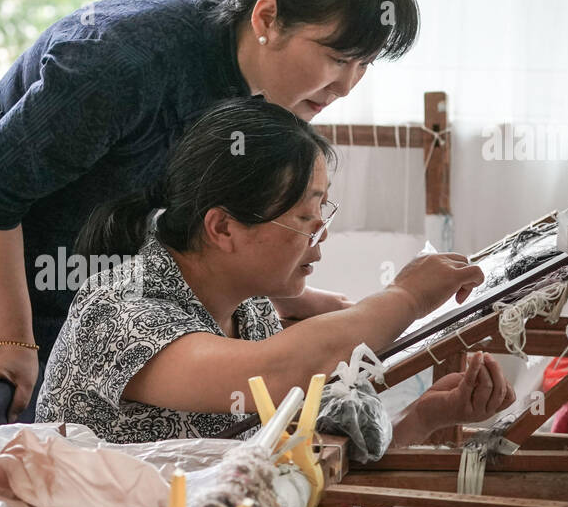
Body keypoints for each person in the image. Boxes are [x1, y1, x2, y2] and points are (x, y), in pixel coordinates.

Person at [0, 0, 420, 507]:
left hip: (91, 257)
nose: (347, 84)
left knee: (56, 453)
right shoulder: (119, 63)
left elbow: (190, 226)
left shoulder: (257, 90)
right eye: (338, 57)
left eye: (364, 64)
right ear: (267, 18)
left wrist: (287, 298)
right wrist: (14, 338)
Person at [36, 96, 516, 444]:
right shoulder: (120, 313)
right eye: (306, 216)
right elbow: (275, 371)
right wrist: (406, 297)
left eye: (322, 211)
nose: (320, 233)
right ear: (223, 227)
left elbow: (311, 467)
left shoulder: (250, 310)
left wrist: (428, 417)